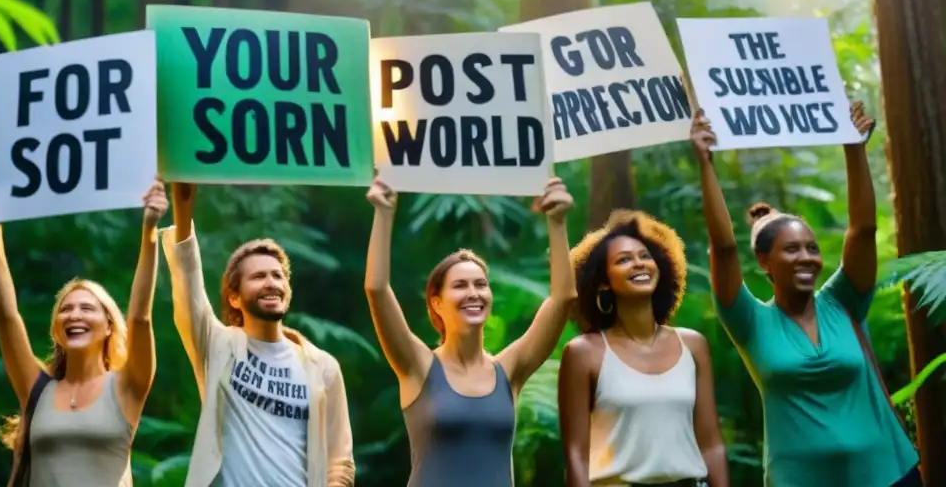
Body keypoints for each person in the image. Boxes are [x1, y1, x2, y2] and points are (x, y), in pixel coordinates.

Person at [691, 102, 921, 487]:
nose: (807, 258)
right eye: (792, 249)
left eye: (812, 248)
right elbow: (724, 247)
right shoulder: (750, 322)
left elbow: (862, 229)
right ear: (764, 261)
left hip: (888, 474)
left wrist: (853, 148)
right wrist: (705, 165)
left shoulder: (844, 301)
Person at [364, 175, 578, 487]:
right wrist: (383, 214)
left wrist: (556, 223)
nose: (474, 293)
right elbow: (377, 289)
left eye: (480, 284)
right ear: (436, 303)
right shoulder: (417, 365)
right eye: (460, 285)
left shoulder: (509, 370)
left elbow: (563, 298)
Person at [0, 179, 168, 487]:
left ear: (109, 326)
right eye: (65, 309)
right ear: (56, 329)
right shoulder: (36, 388)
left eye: (87, 308)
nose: (74, 314)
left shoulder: (128, 385)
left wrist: (149, 231)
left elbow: (141, 318)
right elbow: (7, 316)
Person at [161, 182, 354, 487]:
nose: (271, 283)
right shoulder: (216, 346)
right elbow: (188, 281)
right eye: (258, 276)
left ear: (287, 290)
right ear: (235, 298)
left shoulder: (323, 367)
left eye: (277, 275)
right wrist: (183, 206)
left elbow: (339, 462)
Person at [558, 209, 728, 487]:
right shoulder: (583, 353)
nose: (639, 264)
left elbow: (712, 445)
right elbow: (576, 455)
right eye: (624, 260)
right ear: (603, 282)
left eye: (645, 256)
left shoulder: (693, 345)